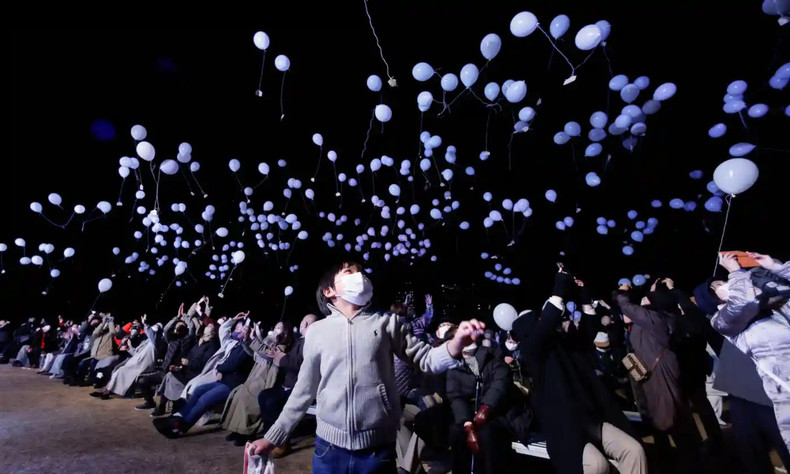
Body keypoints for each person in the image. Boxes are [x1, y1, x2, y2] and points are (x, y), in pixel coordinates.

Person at [250, 261, 485, 474]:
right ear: (329, 291)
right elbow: (303, 390)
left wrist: (455, 345)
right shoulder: (317, 333)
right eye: (349, 272)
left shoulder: (387, 323)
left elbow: (426, 359)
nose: (359, 276)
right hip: (328, 449)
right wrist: (273, 438)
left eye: (361, 272)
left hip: (377, 449)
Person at [513, 269, 646, 474]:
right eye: (537, 320)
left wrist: (584, 295)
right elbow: (546, 323)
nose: (543, 321)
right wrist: (560, 286)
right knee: (597, 466)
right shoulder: (532, 352)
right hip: (565, 428)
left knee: (634, 450)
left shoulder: (562, 344)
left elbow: (588, 332)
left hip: (591, 418)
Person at [711, 252, 790, 451]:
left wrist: (775, 267)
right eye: (718, 285)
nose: (725, 283)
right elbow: (741, 304)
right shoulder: (722, 320)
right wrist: (735, 273)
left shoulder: (776, 307)